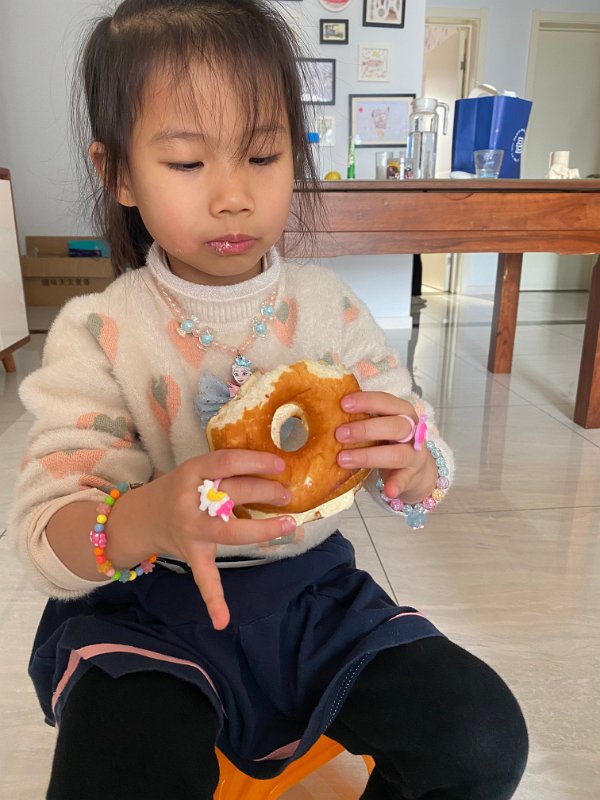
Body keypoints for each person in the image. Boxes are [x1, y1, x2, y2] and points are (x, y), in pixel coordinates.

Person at [9, 1, 528, 798]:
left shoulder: (332, 313)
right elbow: (48, 534)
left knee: (484, 738)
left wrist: (415, 465)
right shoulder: (100, 333)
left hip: (311, 602)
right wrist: (148, 517)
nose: (232, 196)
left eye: (261, 154)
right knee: (119, 771)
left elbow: (414, 447)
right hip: (147, 615)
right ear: (119, 173)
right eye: (187, 162)